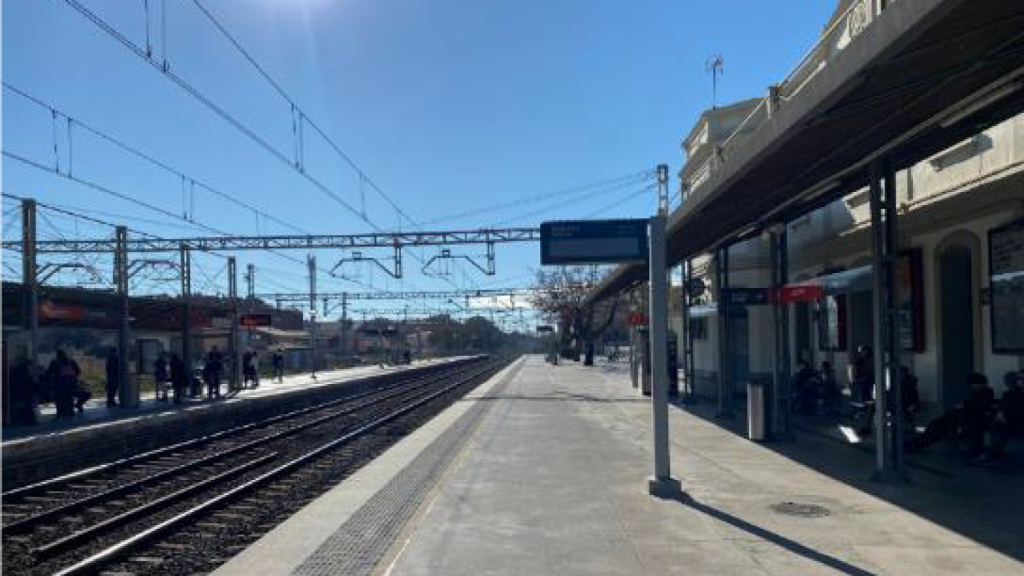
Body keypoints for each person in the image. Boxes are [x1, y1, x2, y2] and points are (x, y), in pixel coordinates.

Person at [907, 372, 995, 460]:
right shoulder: (981, 393)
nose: (971, 386)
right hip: (959, 417)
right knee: (935, 427)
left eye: (973, 384)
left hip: (961, 418)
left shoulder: (983, 393)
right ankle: (916, 444)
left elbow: (974, 408)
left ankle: (916, 444)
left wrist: (963, 408)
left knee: (936, 427)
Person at [981, 371, 1024, 463]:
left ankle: (993, 454)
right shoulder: (1009, 393)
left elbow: (1018, 411)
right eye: (1019, 379)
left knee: (1001, 427)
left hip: (1016, 421)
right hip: (1009, 419)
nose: (1020, 381)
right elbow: (1006, 406)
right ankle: (992, 453)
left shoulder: (1017, 394)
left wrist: (1005, 416)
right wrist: (1000, 412)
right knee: (994, 424)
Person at [48, 350, 86, 418]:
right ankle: (70, 412)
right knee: (69, 399)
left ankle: (60, 414)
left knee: (59, 400)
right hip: (71, 384)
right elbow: (78, 371)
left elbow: (49, 373)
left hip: (59, 385)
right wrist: (72, 377)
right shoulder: (71, 362)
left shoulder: (55, 362)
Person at [9, 355, 38, 425]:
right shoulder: (23, 371)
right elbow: (28, 381)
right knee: (28, 406)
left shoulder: (16, 370)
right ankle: (29, 420)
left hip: (23, 392)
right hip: (25, 392)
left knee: (27, 406)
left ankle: (28, 420)